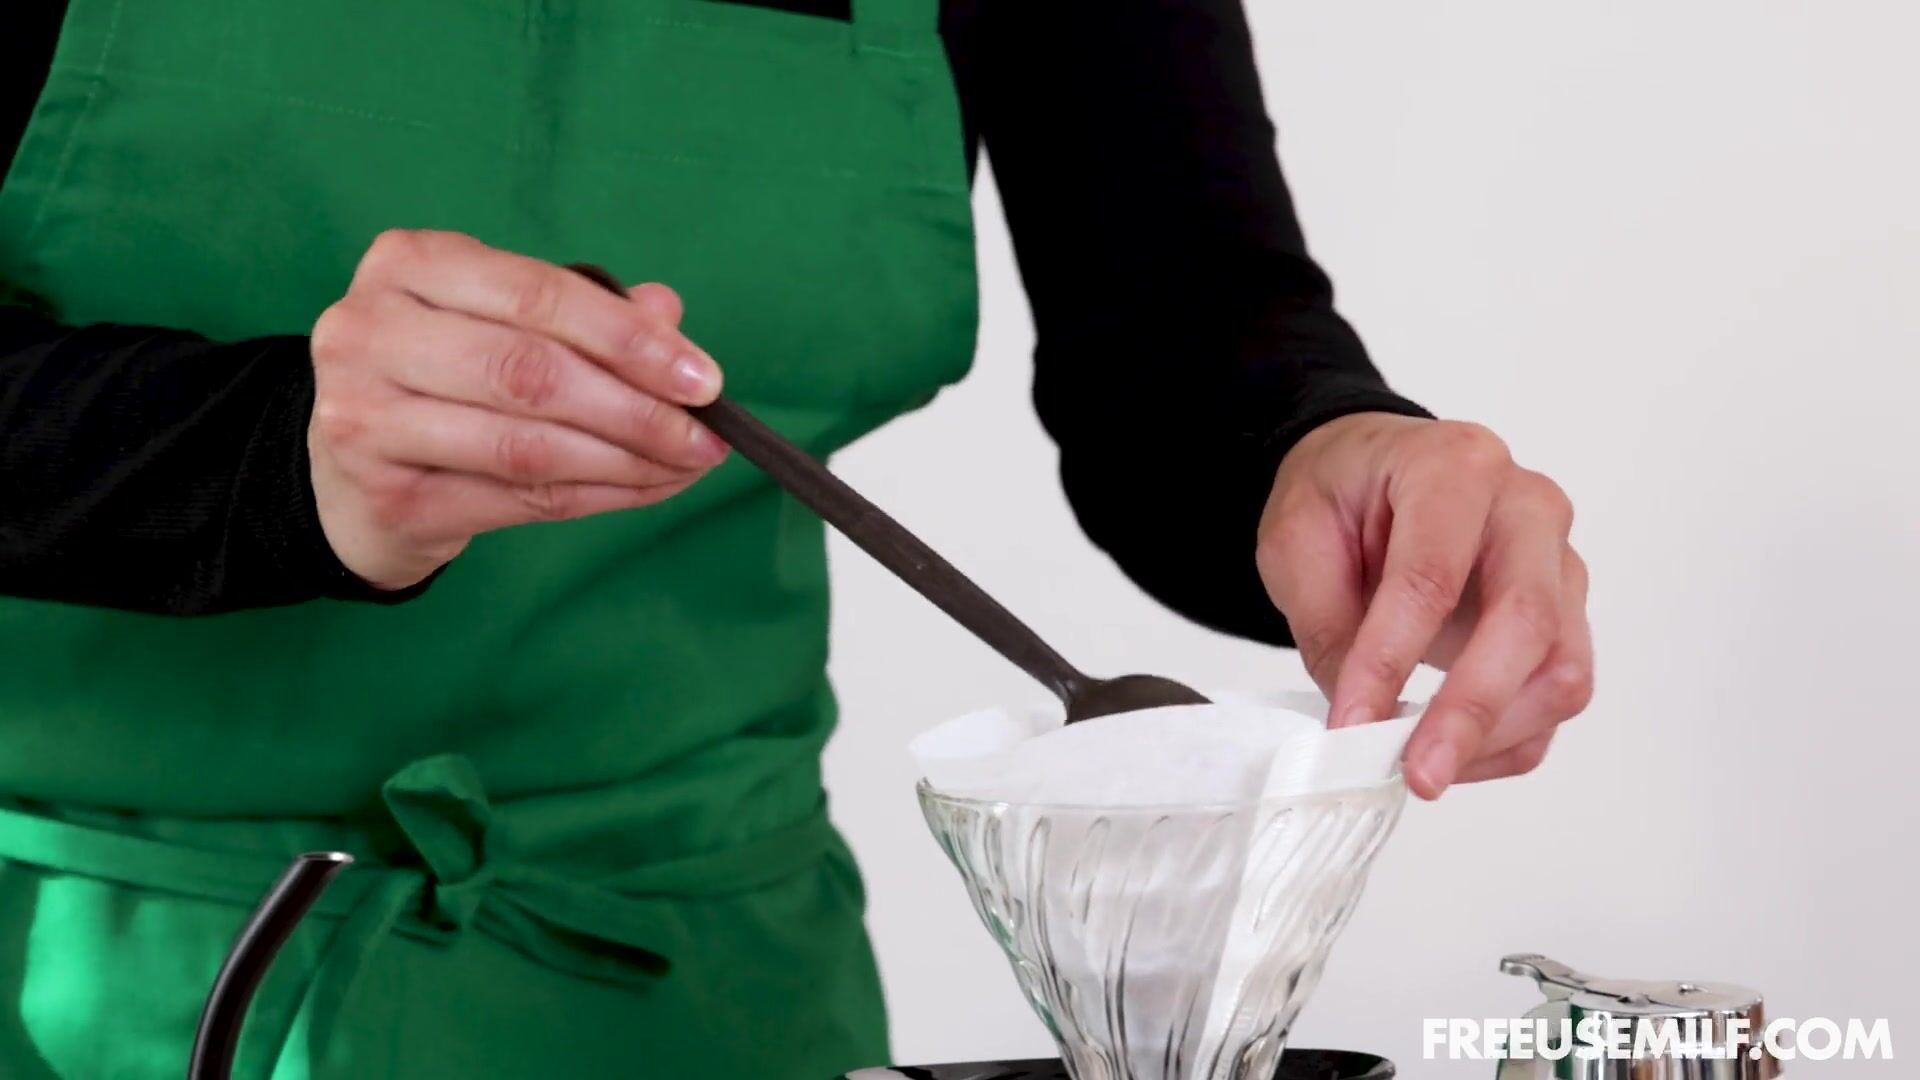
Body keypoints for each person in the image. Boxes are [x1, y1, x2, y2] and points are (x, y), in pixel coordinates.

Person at [0, 0, 1592, 1076]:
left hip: (707, 983)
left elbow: (1183, 334)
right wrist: (270, 457)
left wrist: (1328, 448)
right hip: (105, 982)